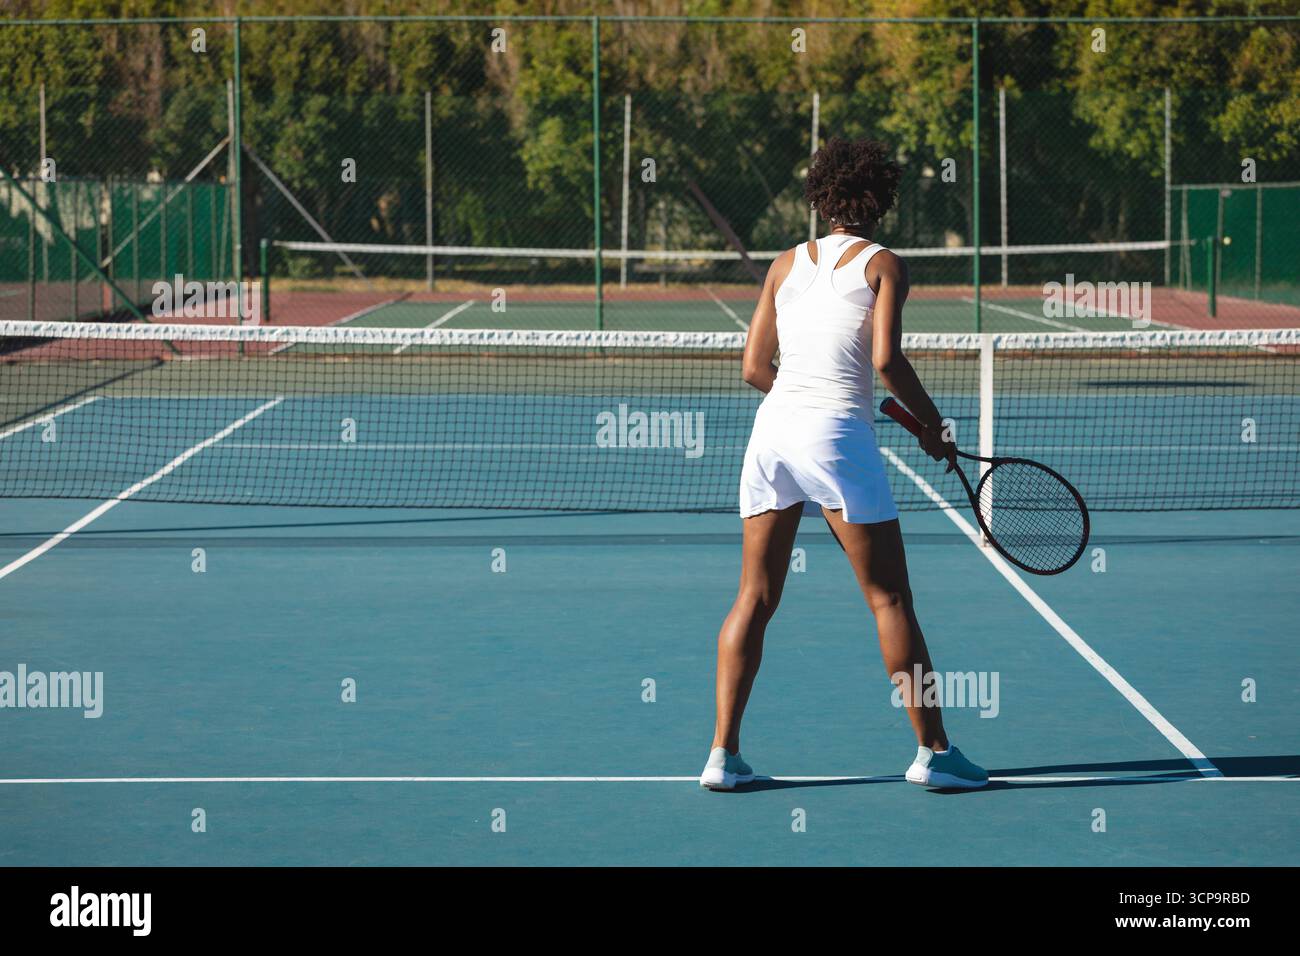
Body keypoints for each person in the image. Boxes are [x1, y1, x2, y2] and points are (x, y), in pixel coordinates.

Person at [699, 137, 988, 792]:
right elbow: (885, 361)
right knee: (889, 598)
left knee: (755, 596)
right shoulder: (884, 264)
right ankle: (935, 753)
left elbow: (753, 370)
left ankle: (722, 755)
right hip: (835, 439)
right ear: (881, 197)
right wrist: (933, 425)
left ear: (820, 195)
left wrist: (806, 403)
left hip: (771, 436)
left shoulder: (782, 264)